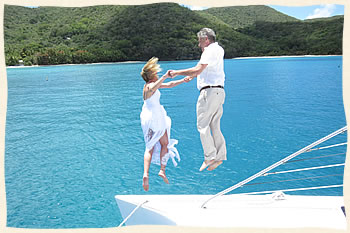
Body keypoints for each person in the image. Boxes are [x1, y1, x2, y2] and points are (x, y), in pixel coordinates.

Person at [169, 28, 226, 172]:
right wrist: (193, 76)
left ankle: (209, 157)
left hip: (209, 93)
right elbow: (207, 70)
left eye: (200, 41)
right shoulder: (219, 49)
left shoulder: (208, 51)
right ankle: (219, 156)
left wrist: (176, 73)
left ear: (206, 39)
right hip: (219, 92)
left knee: (202, 126)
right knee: (215, 126)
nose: (199, 44)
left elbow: (198, 69)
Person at [140, 57, 191, 191]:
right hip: (155, 117)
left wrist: (183, 80)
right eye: (155, 73)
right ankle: (161, 169)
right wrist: (163, 77)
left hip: (153, 117)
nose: (157, 75)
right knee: (163, 144)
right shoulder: (149, 86)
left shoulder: (152, 85)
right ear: (151, 75)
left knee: (151, 147)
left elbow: (170, 85)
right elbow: (153, 89)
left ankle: (149, 173)